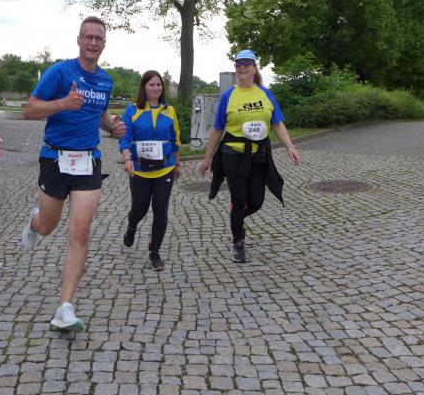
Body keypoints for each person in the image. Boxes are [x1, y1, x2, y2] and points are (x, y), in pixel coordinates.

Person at [20, 16, 126, 332]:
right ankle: (34, 221)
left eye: (98, 38)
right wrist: (63, 104)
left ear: (104, 44)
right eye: (88, 37)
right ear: (78, 40)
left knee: (80, 231)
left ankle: (64, 307)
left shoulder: (105, 81)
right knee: (48, 226)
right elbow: (29, 110)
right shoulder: (60, 72)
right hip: (55, 158)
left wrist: (112, 126)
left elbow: (100, 116)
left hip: (88, 162)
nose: (93, 42)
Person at [199, 50, 300, 263]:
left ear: (254, 67)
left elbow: (277, 123)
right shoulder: (228, 96)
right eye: (238, 64)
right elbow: (217, 129)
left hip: (259, 154)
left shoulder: (265, 94)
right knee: (238, 198)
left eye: (246, 63)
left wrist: (290, 146)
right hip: (232, 153)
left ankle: (235, 217)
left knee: (256, 201)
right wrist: (207, 159)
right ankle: (238, 241)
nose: (242, 67)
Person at [119, 70, 181, 272]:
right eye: (151, 84)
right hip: (139, 170)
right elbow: (125, 138)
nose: (156, 88)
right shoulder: (132, 110)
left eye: (159, 84)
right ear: (144, 87)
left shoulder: (169, 110)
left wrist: (177, 164)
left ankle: (155, 252)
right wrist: (127, 158)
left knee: (161, 209)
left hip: (165, 168)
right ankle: (131, 227)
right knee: (140, 208)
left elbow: (175, 140)